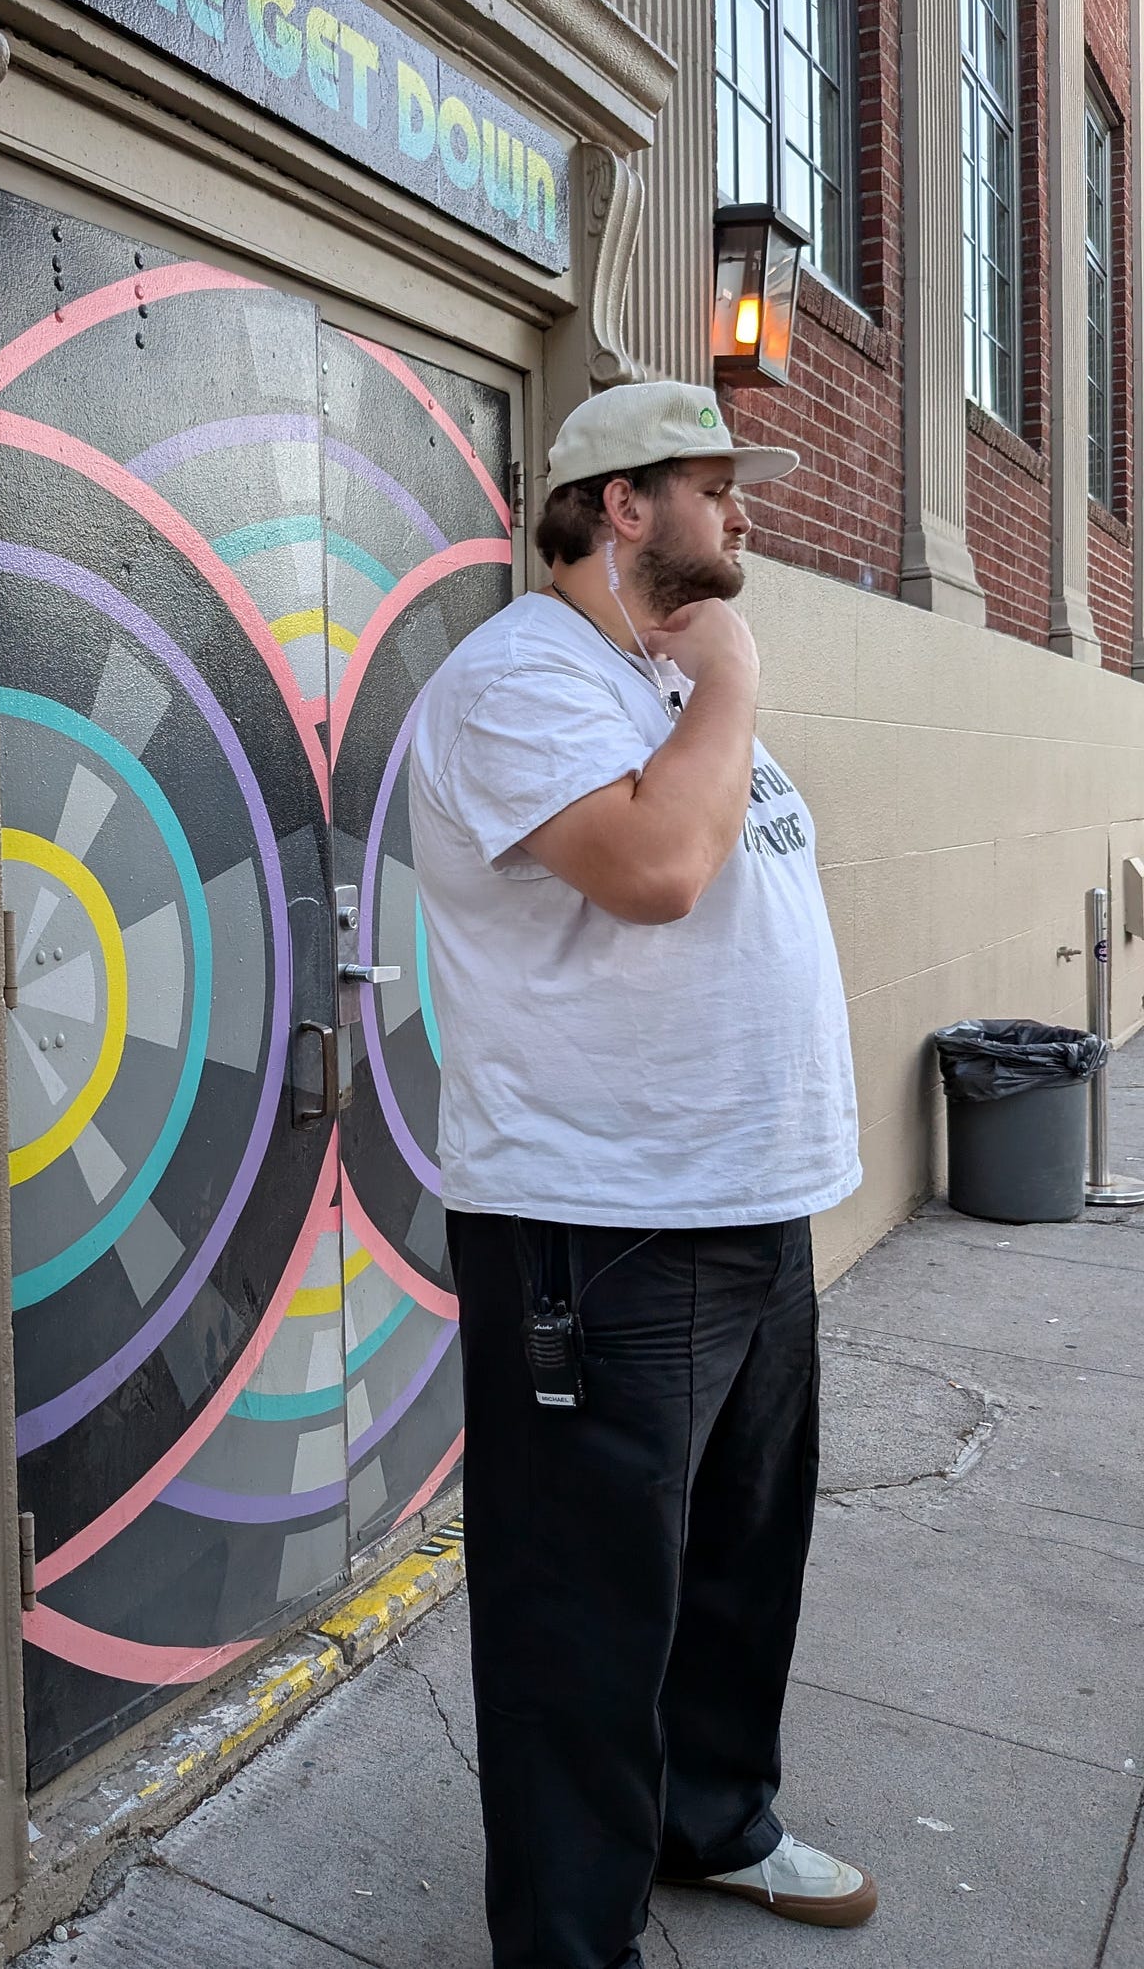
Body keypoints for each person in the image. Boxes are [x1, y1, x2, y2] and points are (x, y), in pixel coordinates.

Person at [407, 381, 875, 1968]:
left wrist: (705, 681)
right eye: (715, 486)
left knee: (741, 1564)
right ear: (621, 504)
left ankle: (714, 1824)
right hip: (597, 1227)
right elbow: (661, 870)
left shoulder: (655, 678)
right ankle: (568, 1944)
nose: (741, 514)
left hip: (748, 1201)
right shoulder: (520, 678)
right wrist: (731, 674)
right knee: (581, 1622)